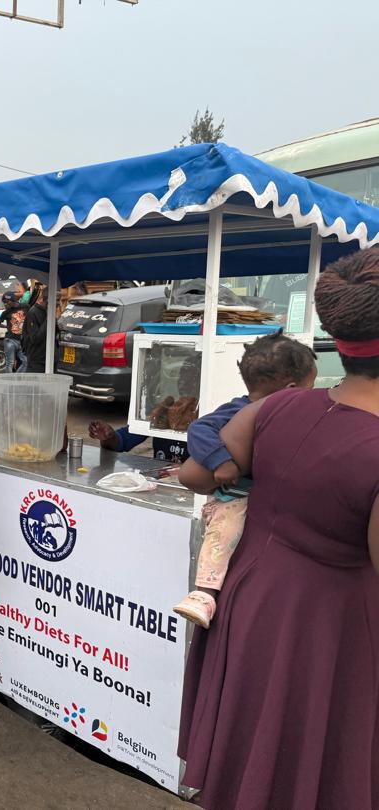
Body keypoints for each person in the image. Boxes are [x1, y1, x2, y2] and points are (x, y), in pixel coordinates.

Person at [178, 247, 379, 809]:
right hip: (329, 634)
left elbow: (196, 474)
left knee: (255, 758)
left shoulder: (277, 410)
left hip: (253, 606)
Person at [173, 333, 317, 628]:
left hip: (268, 505)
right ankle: (203, 594)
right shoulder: (238, 410)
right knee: (223, 534)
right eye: (310, 386)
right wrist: (221, 461)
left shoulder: (296, 415)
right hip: (235, 497)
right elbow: (199, 430)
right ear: (290, 389)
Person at [0, 288, 28, 372]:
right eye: (4, 302)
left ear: (13, 300)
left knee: (25, 361)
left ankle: (16, 378)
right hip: (10, 340)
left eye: (7, 302)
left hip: (22, 341)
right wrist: (7, 327)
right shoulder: (6, 312)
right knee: (10, 363)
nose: (5, 304)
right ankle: (9, 382)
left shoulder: (25, 307)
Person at [22, 284, 49, 373]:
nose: (58, 304)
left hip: (50, 358)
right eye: (56, 300)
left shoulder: (50, 312)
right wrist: (49, 318)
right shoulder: (33, 313)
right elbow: (35, 338)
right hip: (37, 360)